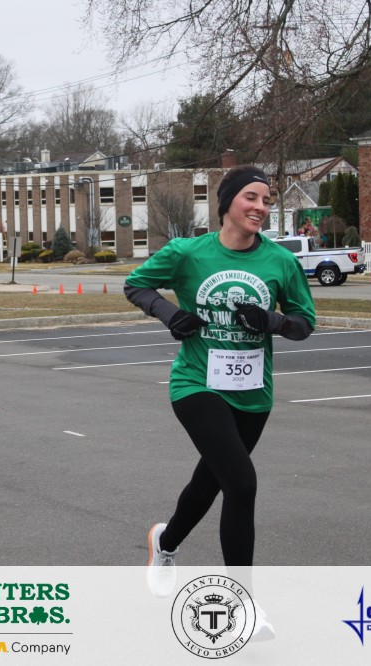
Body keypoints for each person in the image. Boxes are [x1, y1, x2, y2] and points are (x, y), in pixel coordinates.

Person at [124, 165, 316, 601]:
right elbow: (137, 285)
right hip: (196, 383)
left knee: (211, 481)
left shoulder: (280, 261)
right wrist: (171, 315)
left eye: (267, 200)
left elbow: (305, 324)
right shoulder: (188, 253)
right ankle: (242, 602)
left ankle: (165, 542)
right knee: (242, 484)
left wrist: (273, 321)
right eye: (252, 197)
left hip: (253, 394)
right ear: (227, 202)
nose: (261, 207)